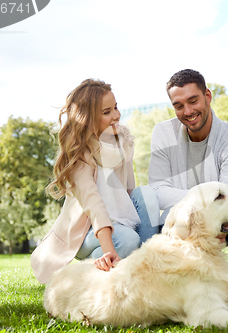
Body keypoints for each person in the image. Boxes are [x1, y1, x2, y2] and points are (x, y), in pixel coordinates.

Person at [148, 69, 228, 300]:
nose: (187, 111)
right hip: (178, 227)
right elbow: (156, 191)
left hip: (219, 223)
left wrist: (202, 202)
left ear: (208, 96)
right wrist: (202, 200)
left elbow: (227, 193)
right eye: (178, 105)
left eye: (193, 101)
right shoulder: (163, 133)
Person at [31, 79, 160, 284]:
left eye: (116, 108)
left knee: (146, 194)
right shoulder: (80, 157)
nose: (116, 115)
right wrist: (110, 250)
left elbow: (129, 192)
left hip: (121, 222)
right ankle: (97, 265)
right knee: (127, 240)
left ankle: (150, 271)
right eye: (106, 112)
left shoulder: (122, 144)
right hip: (87, 231)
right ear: (88, 119)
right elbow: (94, 206)